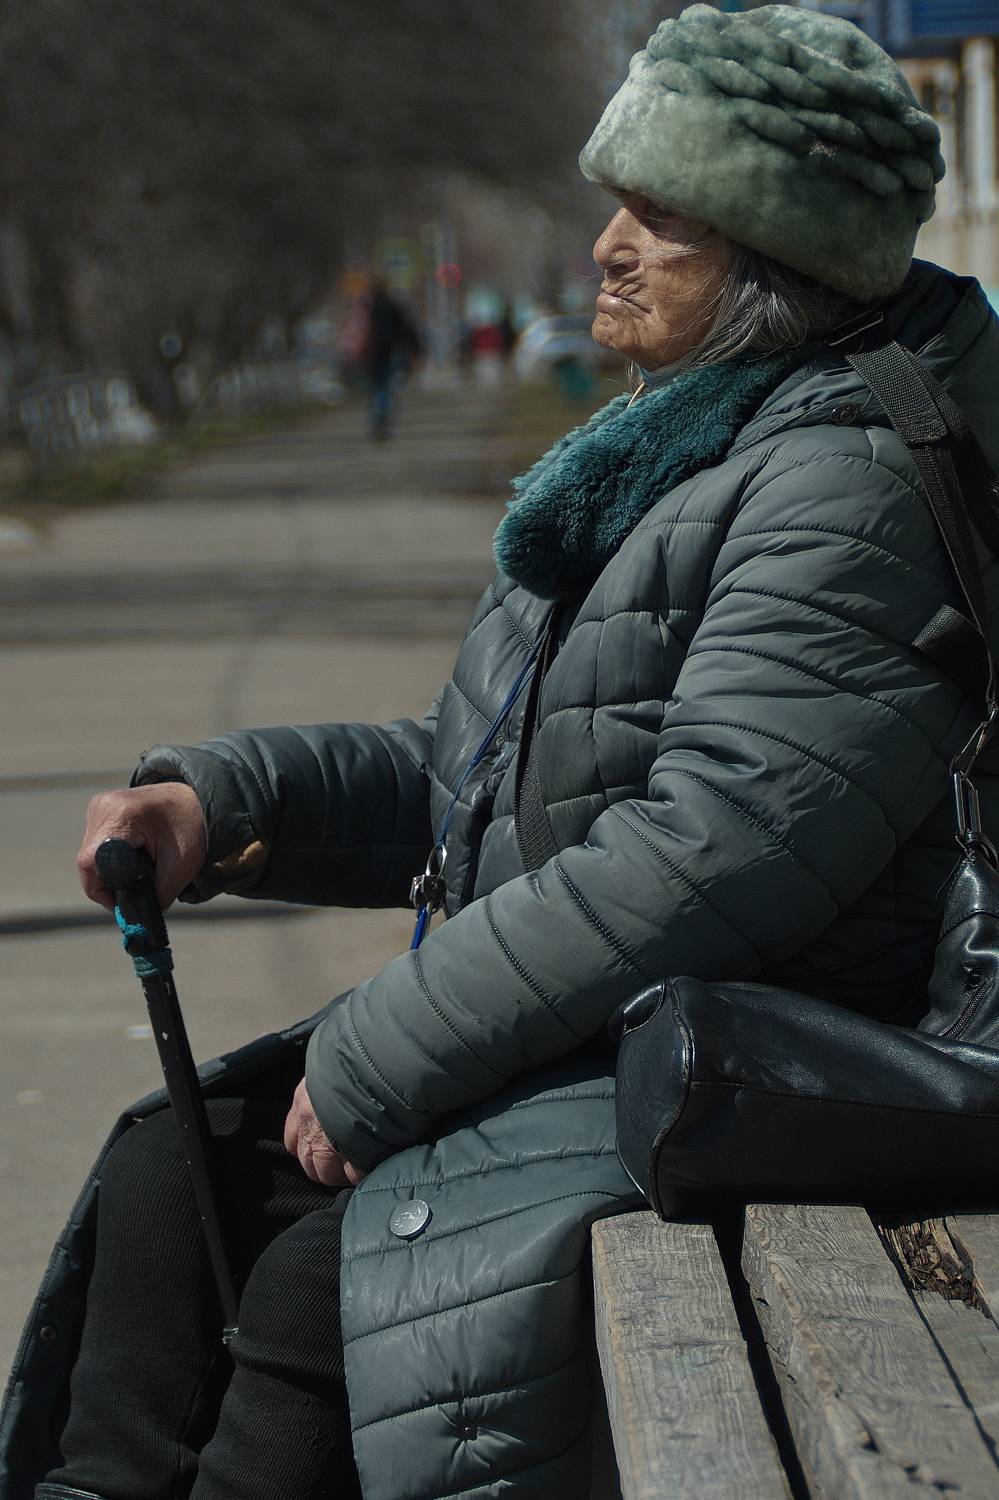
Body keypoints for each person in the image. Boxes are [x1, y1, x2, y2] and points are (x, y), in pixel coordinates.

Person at [15, 5, 999, 1498]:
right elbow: (499, 770)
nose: (607, 245)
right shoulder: (689, 443)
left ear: (775, 258)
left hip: (738, 1060)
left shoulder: (842, 486)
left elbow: (714, 853)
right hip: (594, 1025)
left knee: (324, 1287)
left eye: (660, 215)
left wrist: (379, 1051)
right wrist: (221, 803)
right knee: (172, 1172)